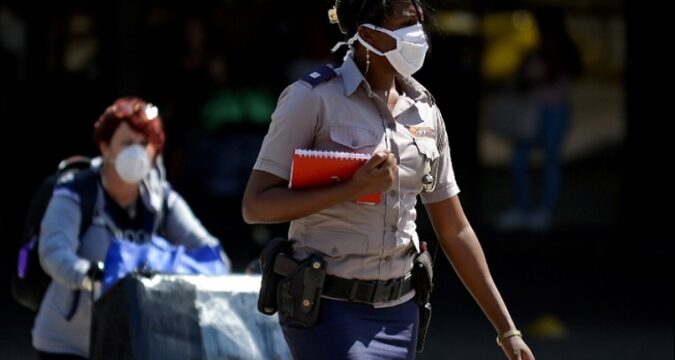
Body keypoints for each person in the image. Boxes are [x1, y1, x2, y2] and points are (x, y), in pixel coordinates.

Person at [242, 1, 535, 359]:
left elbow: (454, 230)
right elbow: (256, 206)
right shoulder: (312, 100)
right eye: (407, 22)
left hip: (401, 313)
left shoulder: (425, 109)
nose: (420, 33)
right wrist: (351, 189)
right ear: (367, 35)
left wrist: (507, 330)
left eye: (420, 21)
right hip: (327, 308)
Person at [32, 97, 231, 359]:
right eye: (126, 143)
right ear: (105, 147)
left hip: (131, 342)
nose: (136, 152)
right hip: (68, 343)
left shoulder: (162, 198)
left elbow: (208, 250)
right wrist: (93, 275)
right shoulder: (75, 192)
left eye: (143, 144)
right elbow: (53, 252)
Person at [496, 7, 582, 231]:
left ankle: (544, 211)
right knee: (520, 159)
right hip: (532, 113)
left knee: (550, 161)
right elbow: (521, 82)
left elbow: (575, 70)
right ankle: (523, 208)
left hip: (555, 112)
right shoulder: (534, 52)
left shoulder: (564, 50)